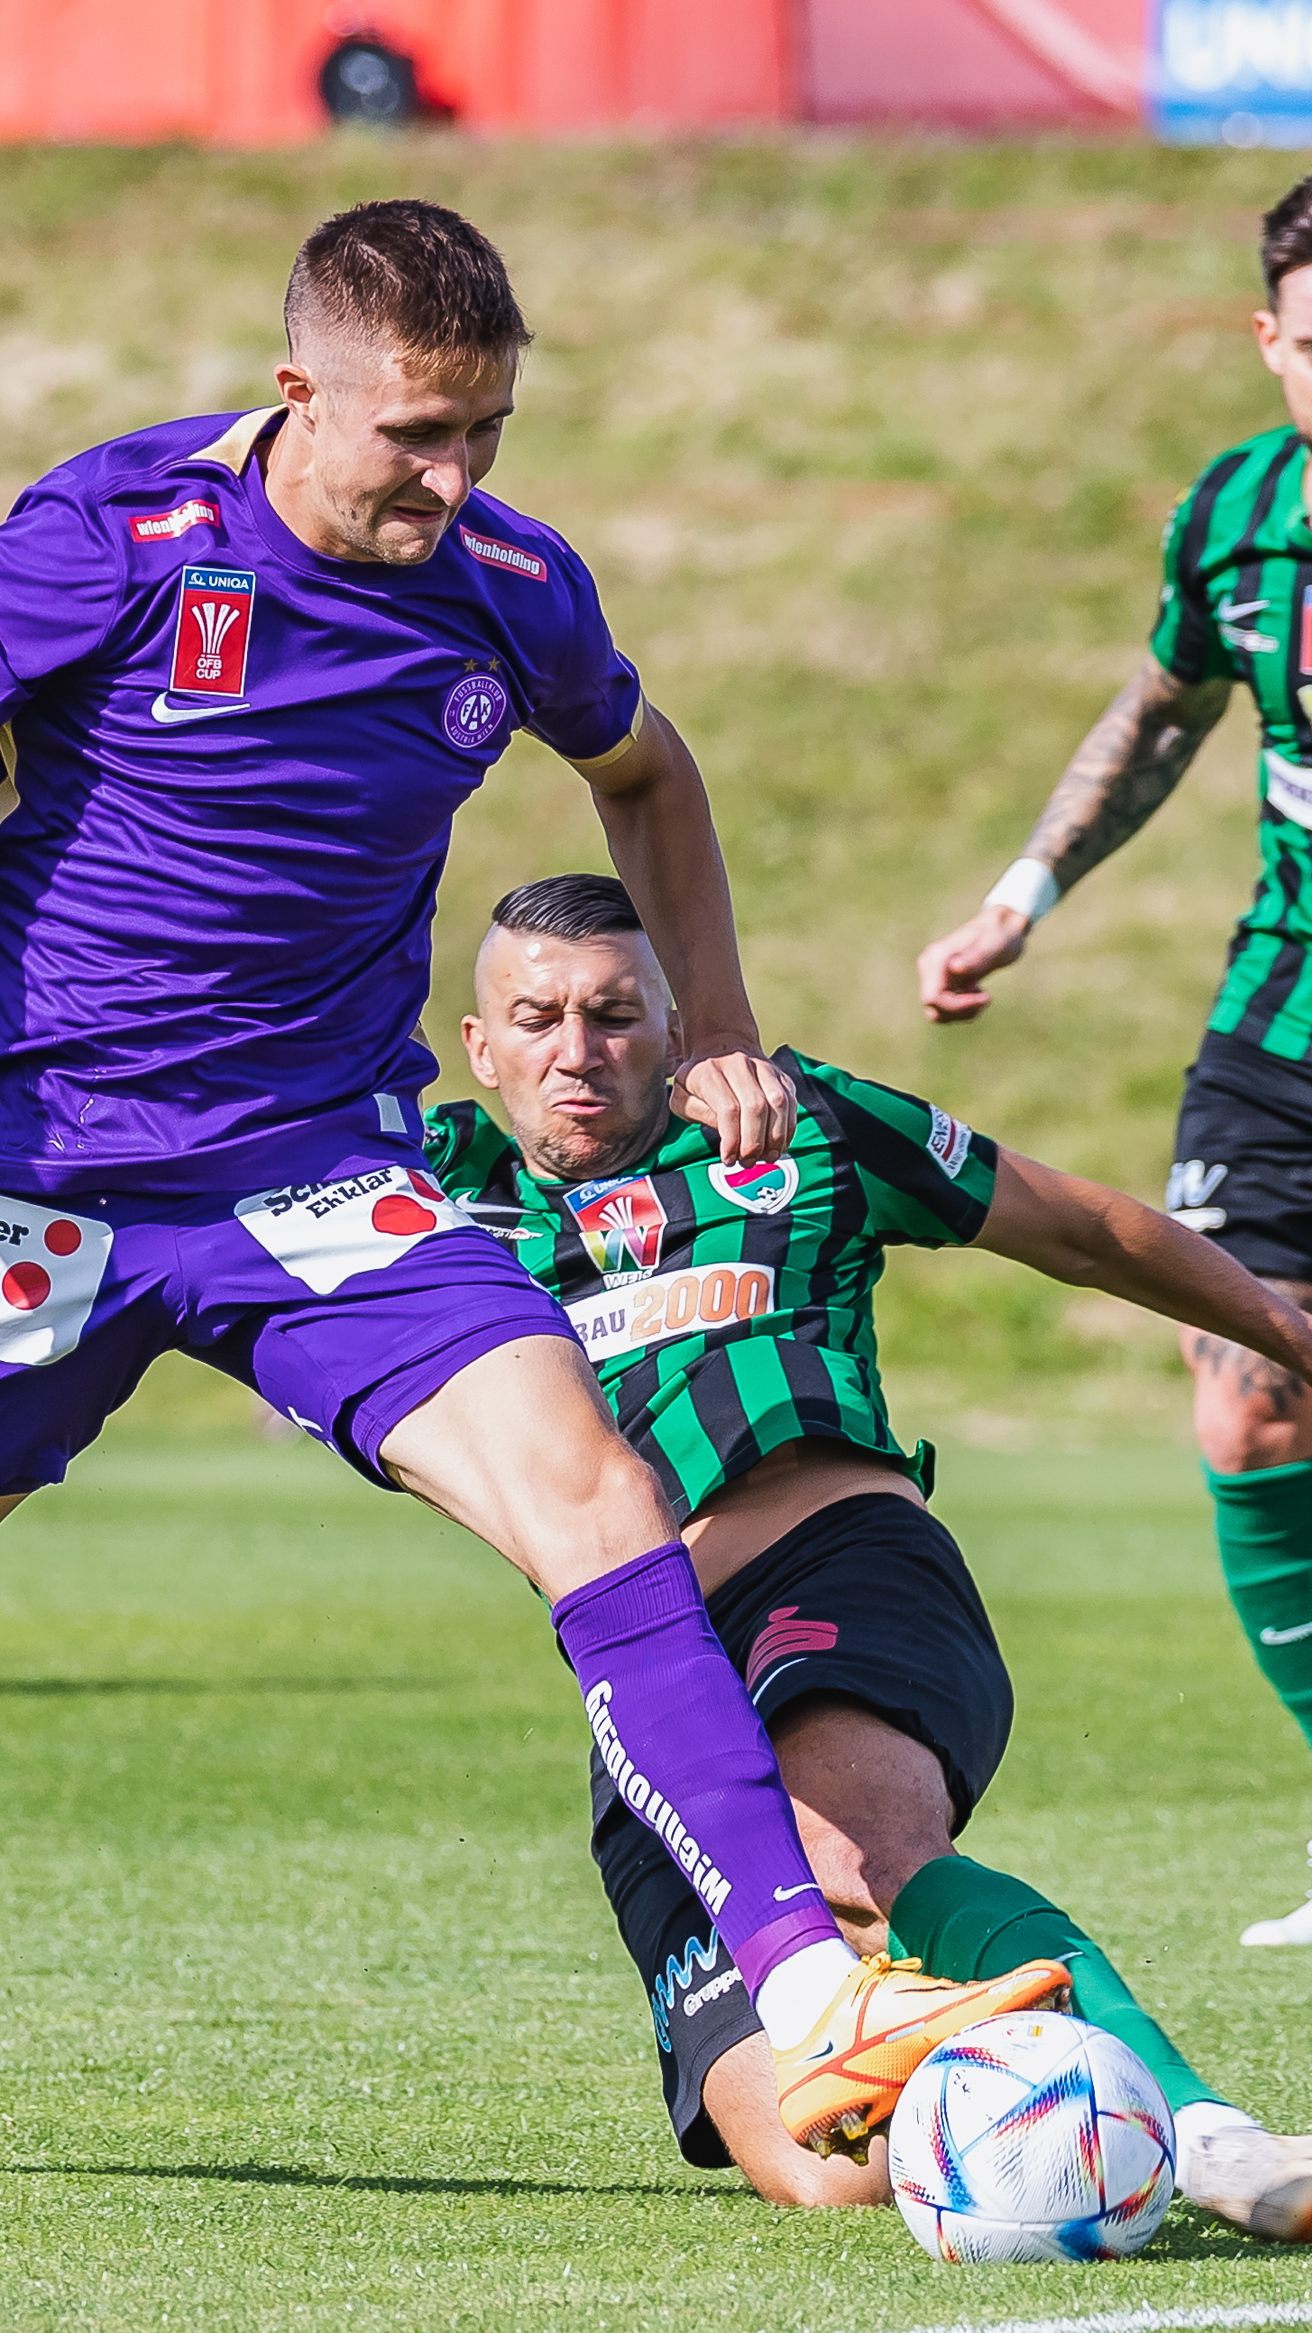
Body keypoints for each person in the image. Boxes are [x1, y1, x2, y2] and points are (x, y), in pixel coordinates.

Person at [0, 198, 1059, 2158]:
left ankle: (812, 1989)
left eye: (485, 427)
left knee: (593, 1485)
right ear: (296, 390)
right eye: (415, 432)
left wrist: (721, 1021)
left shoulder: (509, 585)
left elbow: (643, 772)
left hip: (317, 1173)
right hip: (47, 1166)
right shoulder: (110, 537)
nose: (453, 474)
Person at [424, 870, 1312, 2236]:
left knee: (853, 1846)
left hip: (835, 1561)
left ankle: (1205, 2136)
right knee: (827, 2167)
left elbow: (1079, 1229)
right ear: (482, 1049)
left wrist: (1290, 1332)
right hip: (646, 1683)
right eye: (538, 1019)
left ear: (676, 1021)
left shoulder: (801, 1130)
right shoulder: (426, 1208)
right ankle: (1018, 2075)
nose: (577, 1050)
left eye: (614, 1013)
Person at [917, 174, 1312, 1951]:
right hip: (1285, 1012)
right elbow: (1164, 709)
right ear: (1269, 341)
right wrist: (1022, 896)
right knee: (1247, 1390)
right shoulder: (1235, 515)